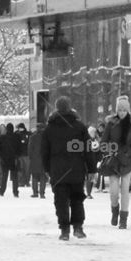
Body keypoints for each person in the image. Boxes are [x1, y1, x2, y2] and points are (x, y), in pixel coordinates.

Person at [41, 96, 89, 240]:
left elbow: (44, 151)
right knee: (77, 199)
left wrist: (47, 169)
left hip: (57, 170)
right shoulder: (80, 127)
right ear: (70, 108)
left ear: (56, 108)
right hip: (76, 169)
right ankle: (78, 227)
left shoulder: (49, 129)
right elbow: (87, 149)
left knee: (61, 201)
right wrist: (91, 168)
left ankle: (64, 230)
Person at [102, 95, 131, 229]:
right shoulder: (110, 123)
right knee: (113, 191)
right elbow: (103, 142)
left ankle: (123, 219)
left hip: (127, 162)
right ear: (116, 110)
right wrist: (110, 150)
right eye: (120, 110)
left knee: (125, 190)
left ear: (128, 110)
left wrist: (128, 153)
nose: (122, 112)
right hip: (113, 161)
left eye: (124, 110)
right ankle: (114, 210)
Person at [0, 122, 20, 197]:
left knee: (4, 176)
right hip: (14, 159)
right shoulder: (17, 137)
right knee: (15, 177)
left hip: (4, 160)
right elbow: (20, 148)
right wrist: (17, 156)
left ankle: (2, 190)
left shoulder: (2, 137)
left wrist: (2, 156)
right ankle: (15, 192)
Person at [28, 121, 48, 198]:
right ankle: (42, 193)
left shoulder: (32, 137)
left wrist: (31, 157)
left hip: (34, 160)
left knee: (34, 177)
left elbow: (29, 149)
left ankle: (35, 192)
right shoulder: (47, 137)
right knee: (43, 177)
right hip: (44, 160)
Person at [85, 124, 102, 198]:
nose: (94, 133)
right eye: (92, 132)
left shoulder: (96, 140)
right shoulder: (86, 140)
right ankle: (88, 193)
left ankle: (89, 193)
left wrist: (99, 159)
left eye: (94, 132)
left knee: (90, 177)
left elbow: (99, 151)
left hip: (93, 161)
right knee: (89, 177)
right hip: (88, 162)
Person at [15, 123, 31, 188]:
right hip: (20, 154)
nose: (20, 129)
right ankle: (21, 182)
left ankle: (26, 181)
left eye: (20, 128)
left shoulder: (28, 134)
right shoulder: (17, 134)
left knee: (27, 169)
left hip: (26, 154)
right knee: (21, 169)